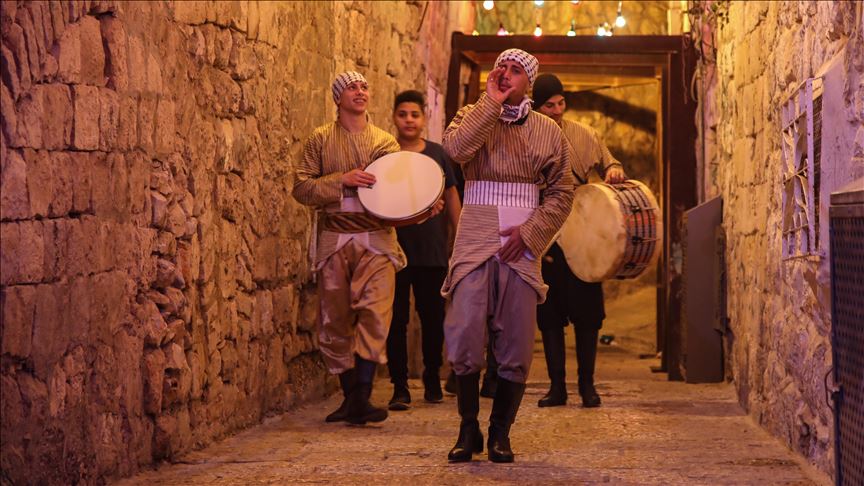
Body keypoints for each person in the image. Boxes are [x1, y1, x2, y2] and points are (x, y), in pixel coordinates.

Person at [441, 49, 575, 463]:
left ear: (528, 83)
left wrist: (532, 232)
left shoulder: (549, 131)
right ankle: (468, 429)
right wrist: (491, 103)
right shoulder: (470, 114)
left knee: (515, 339)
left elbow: (562, 190)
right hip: (476, 232)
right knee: (464, 332)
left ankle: (500, 432)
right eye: (502, 67)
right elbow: (456, 152)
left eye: (516, 70)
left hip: (521, 241)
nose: (506, 74)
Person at [292, 71, 441, 425]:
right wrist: (340, 180)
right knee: (334, 318)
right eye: (351, 87)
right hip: (334, 239)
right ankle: (351, 397)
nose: (360, 92)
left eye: (364, 87)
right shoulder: (320, 140)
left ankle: (361, 393)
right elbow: (301, 188)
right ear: (337, 98)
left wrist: (421, 209)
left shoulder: (385, 142)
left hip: (377, 239)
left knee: (376, 312)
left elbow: (395, 195)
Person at [531, 73, 626, 409]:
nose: (557, 110)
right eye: (549, 105)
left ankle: (587, 385)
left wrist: (613, 170)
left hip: (582, 232)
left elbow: (610, 161)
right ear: (535, 106)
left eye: (560, 103)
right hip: (545, 234)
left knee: (587, 316)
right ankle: (557, 387)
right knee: (550, 315)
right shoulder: (528, 135)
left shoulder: (585, 135)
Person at [386, 90, 462, 410]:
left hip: (431, 253)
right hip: (394, 252)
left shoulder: (438, 154)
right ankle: (399, 386)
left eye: (414, 114)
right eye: (403, 114)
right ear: (394, 117)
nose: (409, 120)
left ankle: (432, 378)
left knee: (432, 319)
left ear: (423, 118)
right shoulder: (385, 154)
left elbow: (453, 199)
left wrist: (460, 241)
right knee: (396, 320)